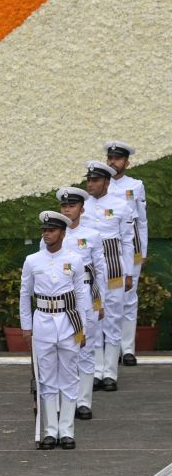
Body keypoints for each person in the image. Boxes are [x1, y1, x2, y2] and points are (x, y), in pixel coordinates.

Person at [19, 211, 89, 449]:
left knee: (69, 379)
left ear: (63, 232)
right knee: (46, 380)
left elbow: (81, 296)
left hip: (69, 321)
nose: (47, 234)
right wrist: (26, 327)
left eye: (51, 230)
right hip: (43, 321)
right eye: (45, 230)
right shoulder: (32, 261)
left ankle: (67, 431)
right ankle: (50, 431)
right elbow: (25, 295)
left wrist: (83, 329)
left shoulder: (75, 259)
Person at [81, 161, 135, 391]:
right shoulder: (81, 206)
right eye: (89, 180)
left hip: (113, 267)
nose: (90, 184)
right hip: (90, 269)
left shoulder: (121, 206)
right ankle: (95, 371)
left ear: (106, 181)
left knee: (112, 319)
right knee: (93, 322)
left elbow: (127, 241)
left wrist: (129, 273)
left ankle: (110, 373)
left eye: (95, 180)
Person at [53, 188, 106, 420]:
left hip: (84, 293)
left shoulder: (92, 235)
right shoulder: (53, 234)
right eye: (64, 206)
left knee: (85, 349)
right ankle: (63, 401)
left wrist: (100, 301)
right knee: (62, 352)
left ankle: (83, 401)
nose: (67, 209)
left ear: (82, 209)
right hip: (60, 297)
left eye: (72, 205)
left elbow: (101, 270)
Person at [105, 141, 148, 365]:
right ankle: (108, 347)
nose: (113, 162)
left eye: (118, 158)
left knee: (129, 297)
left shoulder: (136, 185)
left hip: (132, 245)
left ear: (126, 162)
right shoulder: (101, 185)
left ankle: (127, 348)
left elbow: (142, 221)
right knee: (109, 298)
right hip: (109, 247)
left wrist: (143, 252)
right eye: (110, 158)